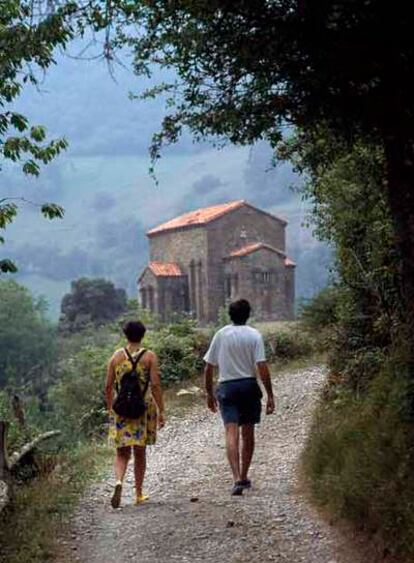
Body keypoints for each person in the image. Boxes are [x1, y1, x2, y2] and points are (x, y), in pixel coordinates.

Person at [204, 299, 275, 496]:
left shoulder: (221, 334)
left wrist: (210, 393)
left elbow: (208, 367)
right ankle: (244, 475)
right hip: (249, 385)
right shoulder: (254, 335)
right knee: (248, 432)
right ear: (248, 314)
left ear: (230, 315)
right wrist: (270, 395)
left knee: (231, 432)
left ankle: (235, 478)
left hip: (227, 386)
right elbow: (262, 367)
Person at [105, 320, 165, 508]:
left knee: (122, 452)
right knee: (140, 452)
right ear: (143, 334)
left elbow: (108, 386)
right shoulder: (149, 357)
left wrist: (110, 408)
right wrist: (161, 410)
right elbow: (155, 385)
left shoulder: (116, 356)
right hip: (143, 408)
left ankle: (119, 482)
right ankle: (138, 493)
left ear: (125, 335)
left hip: (121, 409)